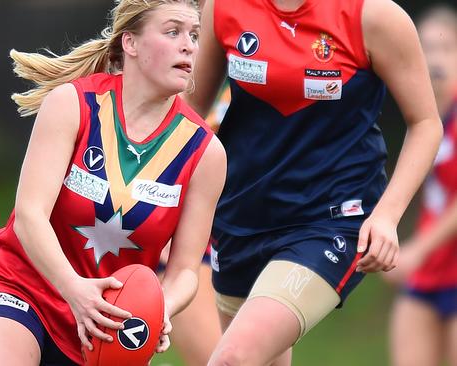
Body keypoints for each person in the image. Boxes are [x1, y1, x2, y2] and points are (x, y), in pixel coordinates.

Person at [0, 0, 226, 365]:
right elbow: (29, 216)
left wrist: (159, 309)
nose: (189, 45)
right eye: (173, 31)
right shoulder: (73, 104)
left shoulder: (205, 152)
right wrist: (74, 290)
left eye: (194, 35)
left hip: (106, 325)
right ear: (130, 43)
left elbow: (183, 272)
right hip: (23, 291)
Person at [185, 0, 444, 365]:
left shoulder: (373, 15)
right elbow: (189, 111)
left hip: (330, 221)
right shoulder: (224, 7)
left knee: (232, 359)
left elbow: (426, 123)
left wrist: (387, 215)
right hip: (240, 218)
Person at [384, 5, 457, 366]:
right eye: (427, 48)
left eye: (445, 49)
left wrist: (417, 250)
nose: (435, 60)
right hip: (429, 274)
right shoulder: (425, 119)